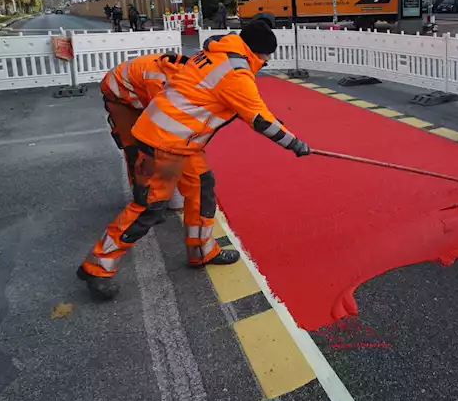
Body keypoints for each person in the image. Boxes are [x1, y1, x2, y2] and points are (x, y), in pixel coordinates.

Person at [78, 20, 312, 299]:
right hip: (164, 141)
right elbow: (259, 119)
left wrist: (277, 124)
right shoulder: (236, 73)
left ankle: (201, 250)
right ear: (256, 52)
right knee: (149, 207)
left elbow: (242, 106)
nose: (267, 61)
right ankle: (98, 266)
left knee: (202, 187)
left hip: (181, 138)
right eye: (266, 56)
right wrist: (295, 144)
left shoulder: (219, 55)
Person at [99, 51, 190, 211]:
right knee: (136, 148)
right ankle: (142, 198)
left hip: (139, 92)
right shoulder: (160, 82)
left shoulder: (184, 73)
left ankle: (161, 193)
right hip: (119, 97)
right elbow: (164, 124)